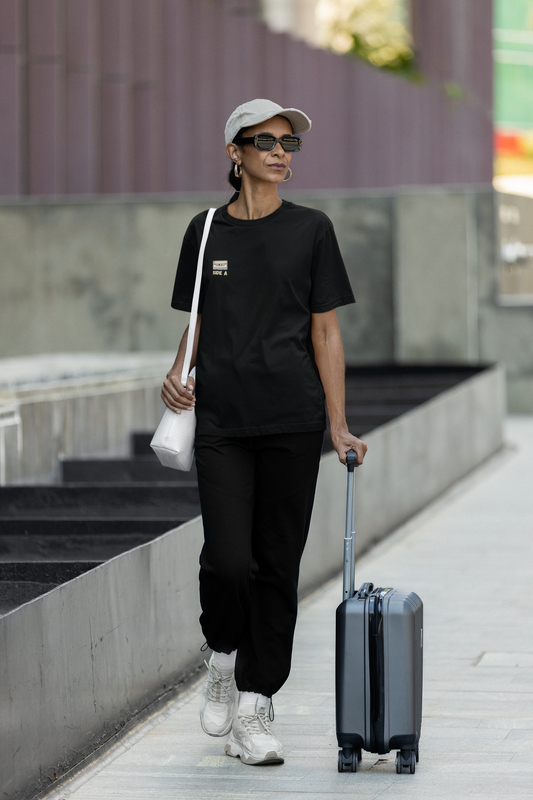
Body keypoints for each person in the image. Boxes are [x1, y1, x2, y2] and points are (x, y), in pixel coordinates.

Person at [161, 99, 367, 767]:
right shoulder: (206, 230)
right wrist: (174, 373)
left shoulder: (311, 229)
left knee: (276, 566)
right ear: (235, 152)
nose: (280, 152)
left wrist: (336, 424)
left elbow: (326, 332)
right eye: (266, 141)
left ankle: (254, 707)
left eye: (289, 143)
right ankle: (221, 654)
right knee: (226, 560)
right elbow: (197, 319)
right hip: (220, 418)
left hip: (291, 420)